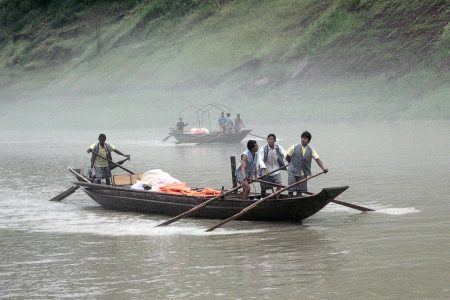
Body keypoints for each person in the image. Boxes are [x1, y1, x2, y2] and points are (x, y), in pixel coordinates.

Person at [285, 131, 328, 196]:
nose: (303, 139)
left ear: (308, 140)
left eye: (305, 138)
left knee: (299, 191)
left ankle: (298, 203)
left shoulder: (311, 150)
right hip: (292, 172)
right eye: (302, 138)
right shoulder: (294, 147)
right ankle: (288, 204)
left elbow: (317, 159)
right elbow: (287, 157)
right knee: (291, 190)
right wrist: (292, 165)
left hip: (303, 173)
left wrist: (323, 168)